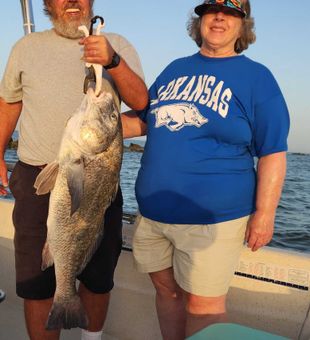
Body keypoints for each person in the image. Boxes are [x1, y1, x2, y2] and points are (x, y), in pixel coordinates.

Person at [122, 0, 290, 338]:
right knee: (166, 293)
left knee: (203, 308)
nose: (219, 18)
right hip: (154, 215)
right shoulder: (174, 68)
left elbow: (272, 150)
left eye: (230, 13)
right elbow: (145, 121)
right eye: (211, 10)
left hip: (213, 219)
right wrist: (89, 121)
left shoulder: (257, 78)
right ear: (198, 21)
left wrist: (265, 213)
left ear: (243, 26)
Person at [0, 0, 148, 339]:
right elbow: (9, 102)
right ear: (47, 4)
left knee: (97, 280)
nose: (72, 1)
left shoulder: (118, 45)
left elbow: (141, 102)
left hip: (98, 180)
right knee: (37, 283)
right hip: (36, 177)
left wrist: (112, 60)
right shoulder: (26, 47)